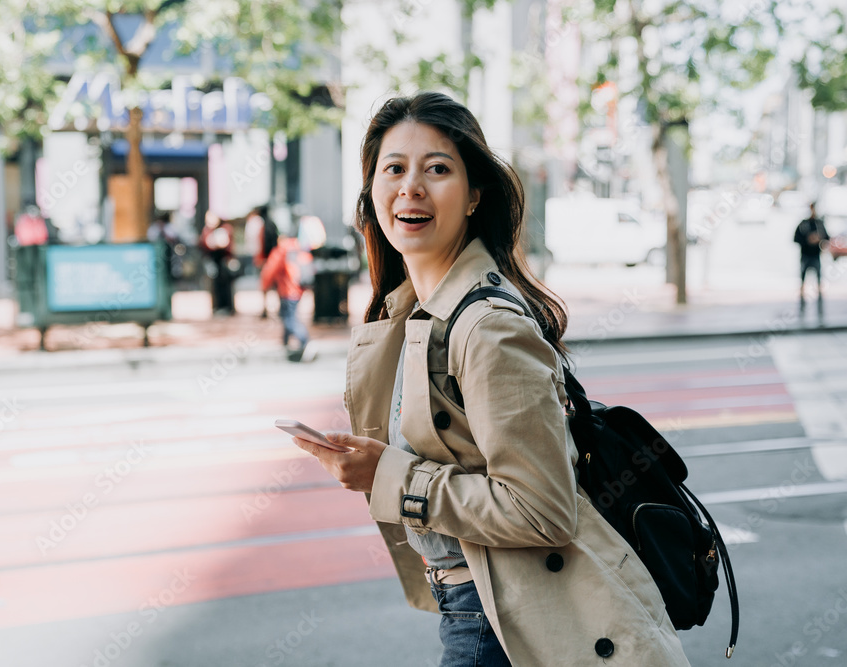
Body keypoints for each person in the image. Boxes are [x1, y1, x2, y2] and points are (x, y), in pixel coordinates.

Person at [289, 92, 690, 665]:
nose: (411, 187)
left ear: (475, 195)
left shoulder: (487, 327)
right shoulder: (416, 316)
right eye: (394, 169)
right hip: (477, 604)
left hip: (502, 620)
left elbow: (543, 509)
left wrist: (389, 477)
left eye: (438, 169)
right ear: (371, 192)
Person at [260, 234, 313, 362]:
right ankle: (285, 344)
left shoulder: (281, 250)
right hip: (298, 290)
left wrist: (264, 286)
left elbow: (270, 270)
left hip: (287, 290)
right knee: (289, 315)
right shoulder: (298, 248)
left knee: (288, 318)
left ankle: (305, 341)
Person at [793, 202, 830, 321]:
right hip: (805, 255)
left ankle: (819, 295)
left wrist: (819, 239)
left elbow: (827, 237)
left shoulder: (819, 224)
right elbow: (795, 238)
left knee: (818, 277)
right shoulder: (803, 224)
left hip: (815, 255)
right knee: (803, 276)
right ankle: (802, 295)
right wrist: (807, 240)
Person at [198, 211, 236, 315]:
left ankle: (227, 307)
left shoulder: (225, 229)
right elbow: (203, 244)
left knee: (225, 285)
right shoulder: (208, 231)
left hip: (223, 261)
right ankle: (218, 306)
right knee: (215, 286)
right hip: (214, 262)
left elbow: (227, 245)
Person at [247, 205, 280, 318]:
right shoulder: (272, 224)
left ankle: (265, 308)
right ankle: (277, 307)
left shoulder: (261, 225)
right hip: (273, 258)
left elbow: (261, 244)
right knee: (275, 284)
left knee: (265, 285)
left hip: (264, 259)